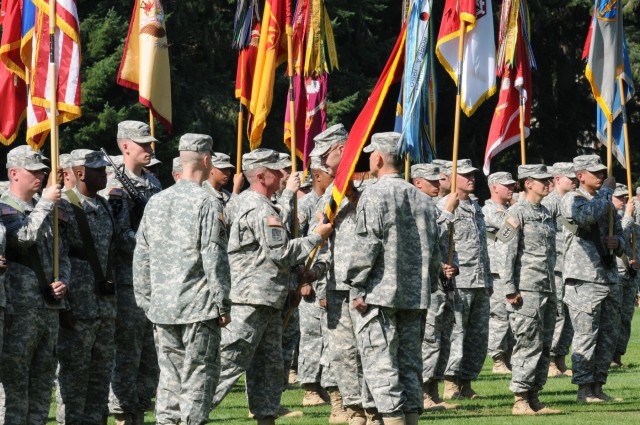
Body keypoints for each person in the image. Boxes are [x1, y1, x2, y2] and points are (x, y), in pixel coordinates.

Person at [211, 148, 333, 425]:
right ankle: (190, 415)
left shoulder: (257, 204)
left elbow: (270, 254)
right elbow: (279, 253)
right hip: (252, 298)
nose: (286, 175)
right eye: (279, 171)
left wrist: (295, 271)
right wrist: (316, 237)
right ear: (261, 175)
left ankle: (266, 416)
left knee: (268, 366)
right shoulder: (258, 207)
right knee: (230, 361)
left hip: (268, 297)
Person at [133, 134, 231, 425]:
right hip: (198, 308)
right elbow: (214, 258)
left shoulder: (156, 201)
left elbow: (142, 255)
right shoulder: (207, 203)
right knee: (198, 380)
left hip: (163, 308)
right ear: (206, 160)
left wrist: (145, 300)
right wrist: (223, 304)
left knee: (169, 379)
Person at [346, 132, 442, 425]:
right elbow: (436, 250)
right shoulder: (423, 199)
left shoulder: (374, 194)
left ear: (377, 158)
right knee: (410, 364)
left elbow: (367, 244)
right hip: (415, 295)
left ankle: (392, 420)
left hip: (379, 294)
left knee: (380, 363)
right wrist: (431, 284)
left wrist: (357, 285)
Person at [0, 145, 69, 424]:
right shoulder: (5, 208)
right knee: (15, 382)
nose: (40, 176)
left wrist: (64, 279)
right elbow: (23, 238)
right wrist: (46, 204)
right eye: (34, 171)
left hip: (48, 306)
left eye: (43, 171)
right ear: (14, 173)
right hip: (20, 309)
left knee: (43, 381)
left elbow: (61, 253)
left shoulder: (46, 208)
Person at [103, 120, 162, 425]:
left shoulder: (153, 184)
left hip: (153, 279)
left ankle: (140, 406)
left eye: (151, 144)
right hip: (126, 280)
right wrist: (152, 244)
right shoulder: (114, 184)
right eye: (144, 144)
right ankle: (125, 412)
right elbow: (119, 234)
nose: (150, 149)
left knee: (150, 354)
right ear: (125, 146)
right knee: (127, 350)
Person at [56, 149, 118, 425]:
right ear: (80, 173)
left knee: (100, 378)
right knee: (74, 378)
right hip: (77, 307)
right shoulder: (65, 206)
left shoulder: (104, 206)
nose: (104, 174)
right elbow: (57, 259)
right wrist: (64, 307)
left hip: (104, 306)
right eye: (97, 170)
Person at [497, 164, 560, 415]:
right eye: (541, 180)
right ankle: (520, 399)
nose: (548, 183)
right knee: (527, 343)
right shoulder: (515, 213)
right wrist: (510, 289)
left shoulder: (544, 212)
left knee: (544, 345)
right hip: (526, 291)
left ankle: (534, 396)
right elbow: (504, 250)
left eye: (548, 179)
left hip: (546, 288)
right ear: (527, 183)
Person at [561, 154, 623, 402]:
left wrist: (617, 243)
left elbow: (619, 239)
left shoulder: (604, 201)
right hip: (583, 279)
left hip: (608, 277)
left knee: (607, 337)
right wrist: (607, 194)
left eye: (602, 172)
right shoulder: (572, 199)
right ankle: (584, 390)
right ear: (580, 175)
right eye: (595, 172)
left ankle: (598, 386)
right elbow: (586, 216)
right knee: (586, 337)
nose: (600, 176)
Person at [438, 159, 491, 400]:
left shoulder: (476, 207)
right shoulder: (446, 206)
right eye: (465, 175)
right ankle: (451, 383)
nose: (471, 178)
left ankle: (467, 382)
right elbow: (437, 242)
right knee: (456, 334)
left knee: (477, 336)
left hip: (480, 280)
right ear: (450, 178)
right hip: (459, 280)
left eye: (473, 174)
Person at [411, 163, 461, 411]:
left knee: (443, 340)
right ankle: (422, 392)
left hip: (445, 284)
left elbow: (445, 245)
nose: (437, 185)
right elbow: (424, 240)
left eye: (437, 180)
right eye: (431, 181)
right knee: (429, 339)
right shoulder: (417, 206)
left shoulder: (435, 207)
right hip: (427, 286)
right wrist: (448, 212)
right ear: (417, 182)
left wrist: (452, 266)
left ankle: (433, 390)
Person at [542, 162, 577, 377]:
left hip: (571, 266)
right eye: (570, 177)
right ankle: (551, 360)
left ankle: (561, 358)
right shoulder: (550, 202)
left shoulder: (572, 201)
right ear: (557, 179)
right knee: (557, 314)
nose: (574, 181)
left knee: (569, 314)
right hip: (556, 267)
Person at [483, 171, 517, 374]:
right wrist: (518, 212)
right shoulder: (489, 211)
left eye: (512, 184)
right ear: (494, 187)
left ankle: (509, 356)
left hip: (510, 270)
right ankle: (497, 359)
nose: (511, 188)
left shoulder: (509, 209)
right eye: (507, 185)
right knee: (500, 316)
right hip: (496, 271)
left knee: (513, 317)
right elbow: (508, 230)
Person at [610, 184, 639, 368]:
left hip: (631, 273)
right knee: (613, 317)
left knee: (626, 317)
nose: (623, 201)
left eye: (625, 197)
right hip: (616, 272)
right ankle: (608, 357)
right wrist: (628, 215)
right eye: (619, 197)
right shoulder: (611, 217)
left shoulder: (632, 219)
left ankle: (618, 355)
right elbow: (619, 235)